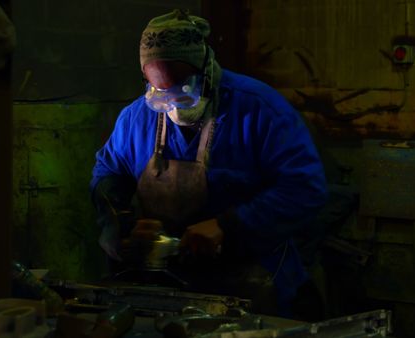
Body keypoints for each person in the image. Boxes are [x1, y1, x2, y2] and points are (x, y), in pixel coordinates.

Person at [90, 9, 328, 317]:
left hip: (252, 281)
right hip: (168, 283)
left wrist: (228, 227)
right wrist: (122, 223)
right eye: (161, 93)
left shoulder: (260, 111)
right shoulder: (136, 119)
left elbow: (306, 188)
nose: (173, 103)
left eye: (183, 89)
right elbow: (107, 172)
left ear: (207, 71)